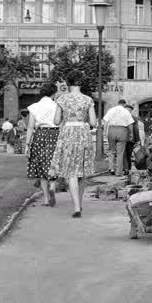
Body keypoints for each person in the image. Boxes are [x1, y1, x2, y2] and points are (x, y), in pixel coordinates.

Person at [49, 71, 97, 218]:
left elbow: (56, 121)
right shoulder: (88, 100)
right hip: (83, 133)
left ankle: (76, 207)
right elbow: (94, 123)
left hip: (68, 133)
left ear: (68, 84)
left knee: (72, 172)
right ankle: (79, 204)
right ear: (81, 83)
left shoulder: (62, 99)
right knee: (81, 172)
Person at [25, 84, 60, 207]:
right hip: (55, 134)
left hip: (39, 135)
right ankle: (52, 187)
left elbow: (30, 127)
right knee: (53, 163)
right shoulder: (57, 106)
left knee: (40, 166)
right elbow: (61, 123)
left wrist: (27, 145)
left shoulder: (34, 107)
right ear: (53, 93)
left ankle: (45, 198)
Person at [102, 99, 134, 177]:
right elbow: (130, 124)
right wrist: (131, 133)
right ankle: (119, 172)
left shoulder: (111, 110)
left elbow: (105, 121)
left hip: (112, 130)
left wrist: (105, 131)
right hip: (122, 130)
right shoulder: (126, 111)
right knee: (120, 153)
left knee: (111, 150)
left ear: (118, 103)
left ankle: (111, 168)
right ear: (124, 104)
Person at [123, 104, 141, 174]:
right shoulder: (134, 118)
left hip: (123, 137)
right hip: (131, 139)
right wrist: (137, 139)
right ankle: (129, 168)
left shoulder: (121, 117)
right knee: (129, 154)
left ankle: (125, 168)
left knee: (123, 153)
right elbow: (136, 129)